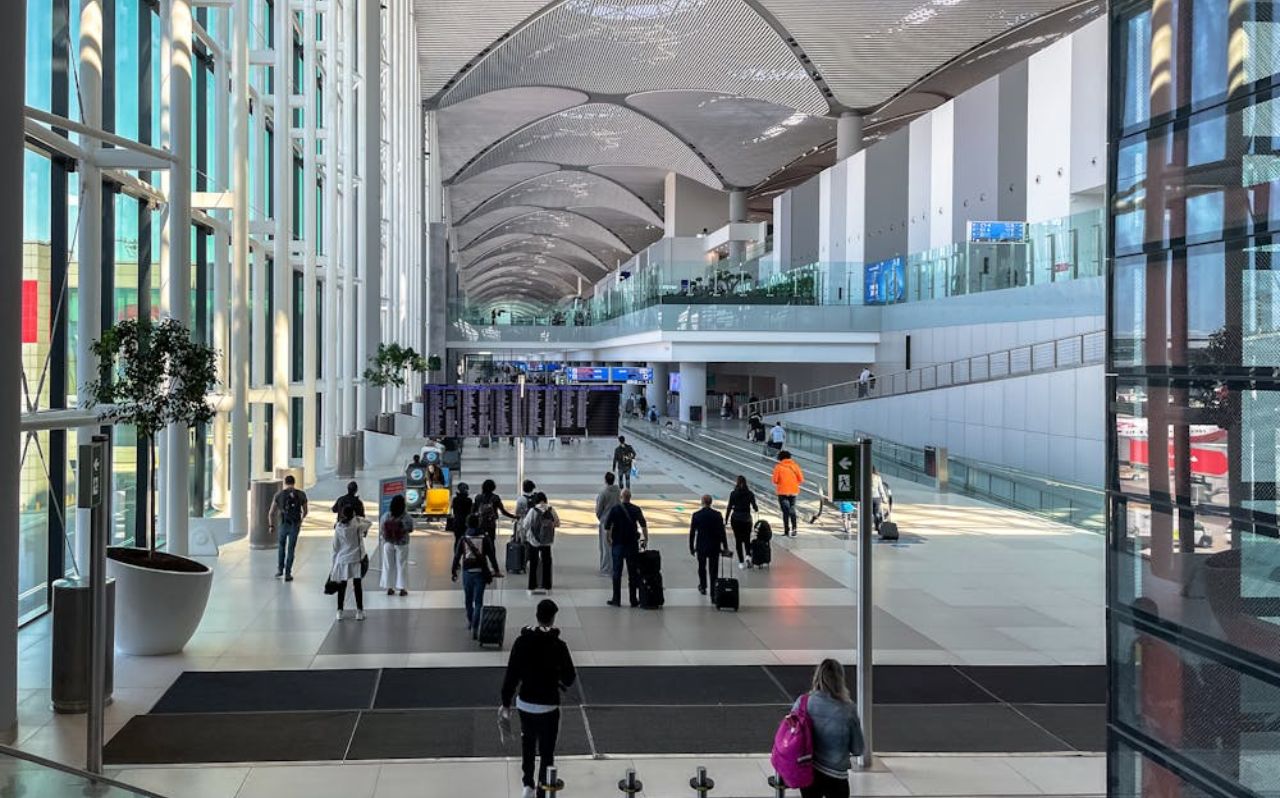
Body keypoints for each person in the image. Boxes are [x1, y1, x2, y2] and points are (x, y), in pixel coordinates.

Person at [500, 599, 578, 798]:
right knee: (547, 750)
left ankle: (528, 783)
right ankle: (544, 788)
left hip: (525, 703)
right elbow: (569, 678)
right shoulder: (558, 645)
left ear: (536, 615)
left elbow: (512, 674)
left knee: (527, 742)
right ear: (553, 618)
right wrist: (558, 680)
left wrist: (506, 701)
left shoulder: (521, 641)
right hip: (548, 706)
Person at [790, 659, 866, 798]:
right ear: (840, 680)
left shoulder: (803, 702)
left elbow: (791, 734)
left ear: (817, 677)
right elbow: (858, 749)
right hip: (836, 777)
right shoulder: (848, 710)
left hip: (809, 772)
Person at [451, 512, 503, 639]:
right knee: (478, 601)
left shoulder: (463, 539)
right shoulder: (485, 538)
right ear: (478, 523)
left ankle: (470, 621)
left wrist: (453, 571)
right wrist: (496, 569)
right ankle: (475, 625)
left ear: (467, 524)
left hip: (467, 572)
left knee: (468, 599)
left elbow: (457, 556)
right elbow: (491, 555)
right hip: (480, 572)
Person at [604, 489, 648, 607]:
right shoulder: (636, 509)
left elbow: (607, 526)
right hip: (631, 545)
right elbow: (643, 525)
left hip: (618, 544)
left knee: (617, 573)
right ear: (630, 497)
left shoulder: (615, 509)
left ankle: (616, 599)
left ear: (621, 497)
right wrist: (644, 541)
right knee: (632, 574)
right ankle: (633, 599)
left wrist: (609, 539)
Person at [268, 475, 308, 582]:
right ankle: (288, 573)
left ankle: (280, 569)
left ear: (285, 483)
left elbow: (271, 513)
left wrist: (271, 526)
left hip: (283, 524)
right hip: (295, 524)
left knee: (281, 547)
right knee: (291, 549)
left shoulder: (279, 495)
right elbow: (305, 511)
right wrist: (301, 520)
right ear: (294, 482)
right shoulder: (301, 494)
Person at [330, 504, 366, 621]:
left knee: (342, 586)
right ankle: (359, 611)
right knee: (357, 585)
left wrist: (334, 562)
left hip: (343, 559)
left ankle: (339, 611)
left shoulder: (339, 528)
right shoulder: (357, 525)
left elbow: (336, 547)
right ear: (353, 514)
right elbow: (368, 523)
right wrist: (357, 518)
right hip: (356, 559)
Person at [689, 495, 729, 596]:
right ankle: (713, 590)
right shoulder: (717, 515)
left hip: (701, 546)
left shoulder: (696, 515)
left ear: (702, 502)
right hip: (714, 546)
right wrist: (725, 547)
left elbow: (692, 532)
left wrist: (691, 547)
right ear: (711, 502)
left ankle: (703, 586)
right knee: (713, 569)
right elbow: (722, 532)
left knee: (702, 568)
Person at [521, 492, 560, 594]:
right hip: (547, 541)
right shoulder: (551, 510)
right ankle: (547, 587)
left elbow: (525, 525)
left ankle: (531, 587)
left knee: (533, 564)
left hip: (534, 541)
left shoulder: (533, 511)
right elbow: (557, 523)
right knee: (547, 563)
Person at [379, 494, 414, 596]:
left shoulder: (386, 516)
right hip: (402, 544)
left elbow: (382, 529)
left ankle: (389, 588)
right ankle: (402, 589)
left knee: (388, 565)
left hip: (388, 543)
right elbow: (410, 529)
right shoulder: (406, 517)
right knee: (401, 565)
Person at [725, 475, 759, 569]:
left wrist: (726, 520)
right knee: (747, 539)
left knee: (738, 540)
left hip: (735, 518)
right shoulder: (750, 493)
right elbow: (755, 507)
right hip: (747, 519)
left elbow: (729, 507)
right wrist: (756, 509)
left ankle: (741, 562)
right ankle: (748, 556)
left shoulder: (733, 493)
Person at [594, 472, 622, 575]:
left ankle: (606, 568)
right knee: (615, 544)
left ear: (605, 480)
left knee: (605, 546)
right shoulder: (618, 491)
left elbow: (599, 510)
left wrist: (601, 518)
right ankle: (616, 566)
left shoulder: (603, 493)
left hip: (605, 522)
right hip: (616, 522)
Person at [772, 450, 804, 537]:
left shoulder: (778, 467)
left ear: (780, 458)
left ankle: (786, 531)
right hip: (793, 491)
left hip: (782, 492)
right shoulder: (795, 466)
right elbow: (801, 479)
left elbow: (775, 480)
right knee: (792, 509)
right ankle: (794, 529)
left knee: (785, 512)